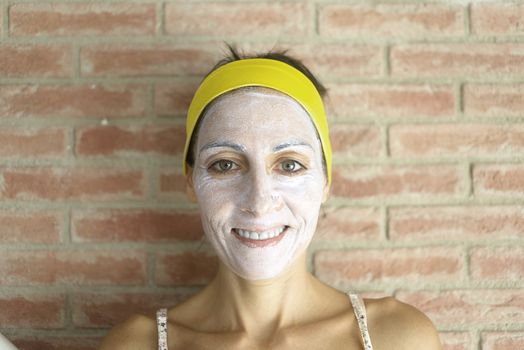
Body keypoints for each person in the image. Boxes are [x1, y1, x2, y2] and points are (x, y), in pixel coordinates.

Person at [99, 44, 442, 350]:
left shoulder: (398, 338)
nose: (259, 201)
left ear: (325, 180)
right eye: (225, 165)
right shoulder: (136, 345)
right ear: (191, 182)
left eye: (289, 165)